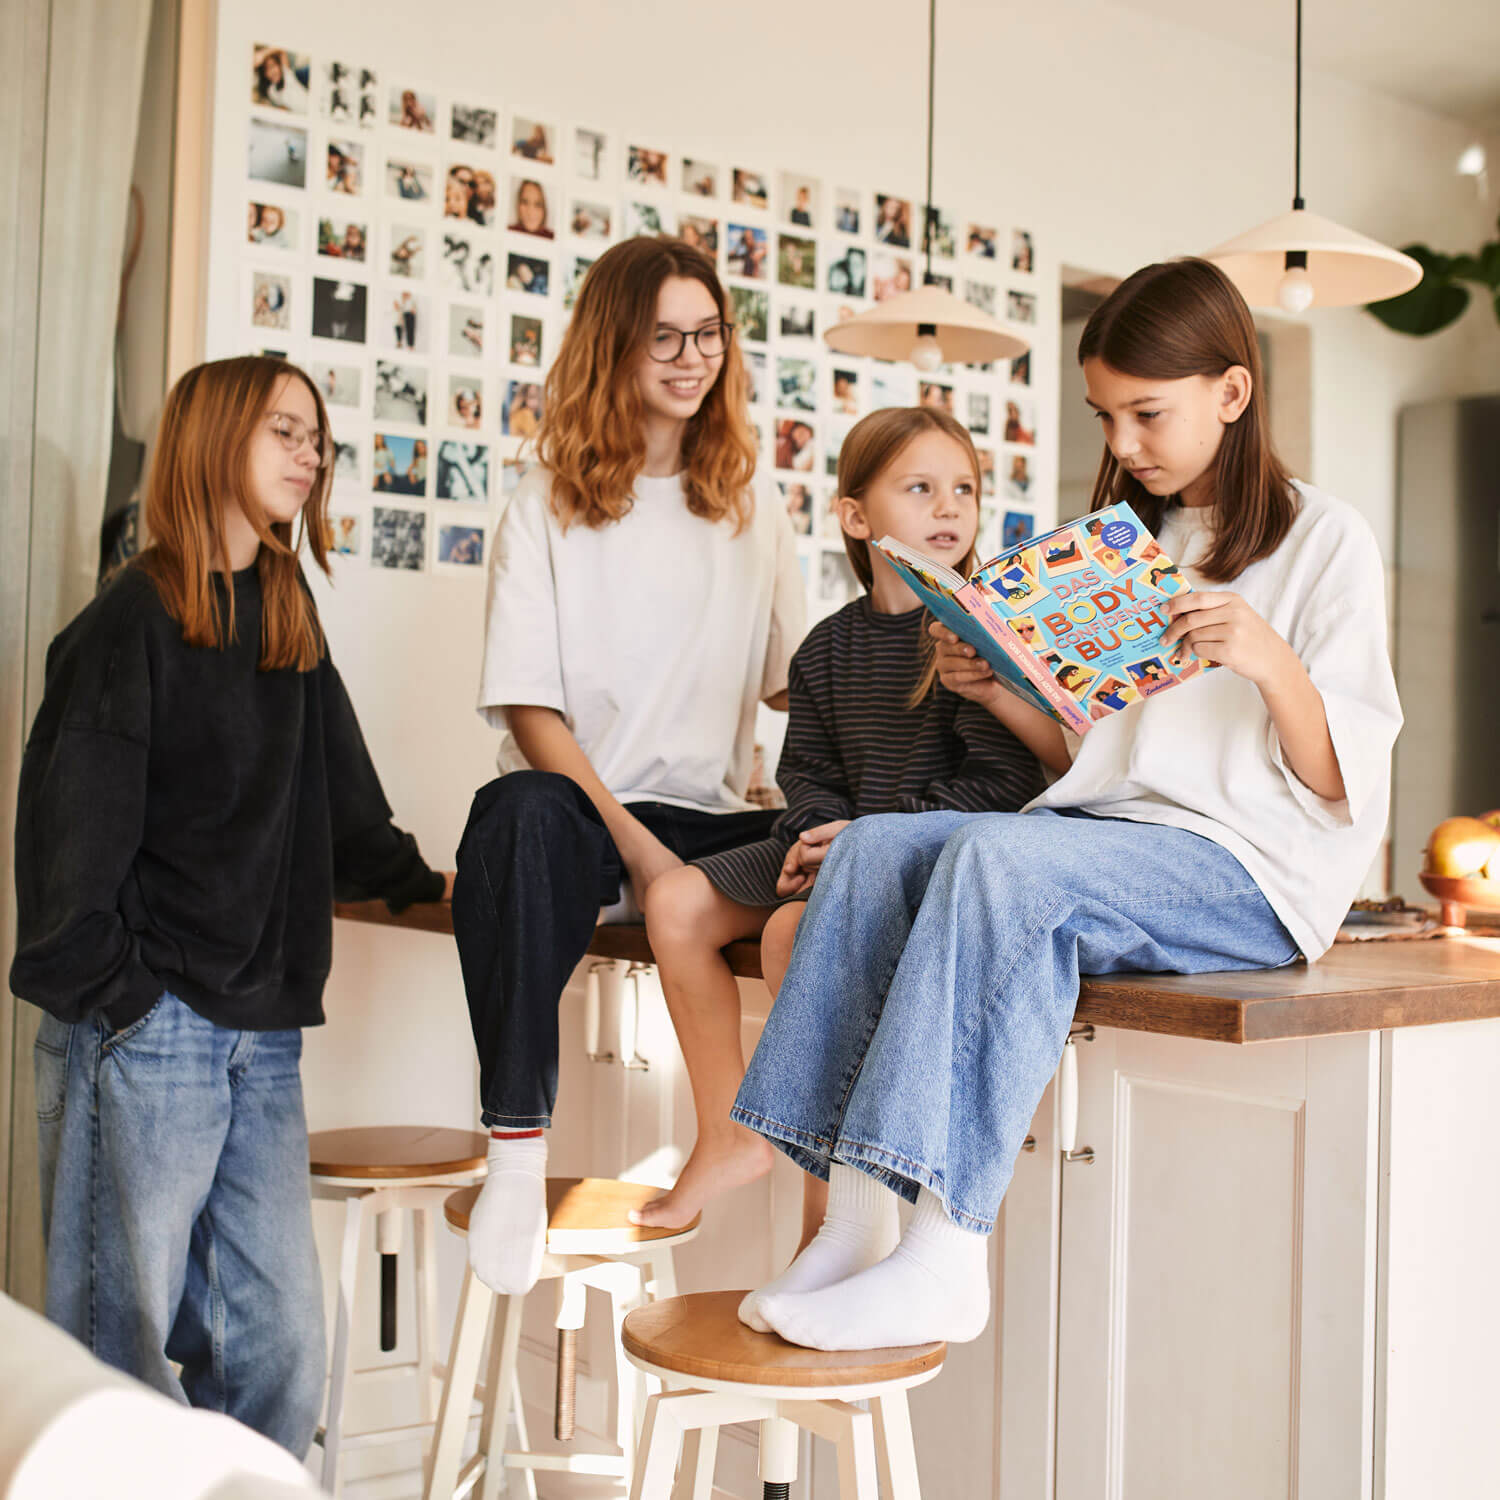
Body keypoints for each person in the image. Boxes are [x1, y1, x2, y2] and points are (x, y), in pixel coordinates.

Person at [730, 257, 1403, 1352]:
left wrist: (1275, 664)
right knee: (873, 851)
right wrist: (999, 685)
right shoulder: (1126, 542)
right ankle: (849, 1224)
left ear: (1232, 395)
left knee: (1002, 865)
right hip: (1114, 838)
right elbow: (1100, 758)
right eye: (1107, 415)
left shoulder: (1327, 539)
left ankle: (946, 1252)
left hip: (1252, 872)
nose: (1125, 443)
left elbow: (1341, 784)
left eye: (1149, 413)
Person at [10, 355, 445, 1453]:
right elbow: (69, 861)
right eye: (285, 431)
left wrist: (439, 885)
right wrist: (129, 1001)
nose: (312, 454)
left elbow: (347, 814)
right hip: (147, 1031)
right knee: (119, 1357)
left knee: (280, 1354)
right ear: (213, 441)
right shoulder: (128, 626)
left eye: (318, 438)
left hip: (263, 1034)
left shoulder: (287, 614)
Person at [451, 236, 805, 1297]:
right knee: (517, 807)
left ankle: (815, 1189)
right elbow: (532, 710)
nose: (693, 358)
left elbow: (795, 684)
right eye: (666, 337)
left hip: (710, 816)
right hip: (584, 814)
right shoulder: (545, 505)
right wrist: (640, 854)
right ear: (615, 344)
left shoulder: (754, 506)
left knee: (860, 857)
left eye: (709, 336)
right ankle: (516, 1148)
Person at [632, 407, 1041, 1230]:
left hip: (925, 858)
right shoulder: (824, 648)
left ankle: (834, 1214)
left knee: (790, 937)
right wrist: (820, 831)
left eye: (963, 489)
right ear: (856, 516)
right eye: (920, 488)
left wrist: (861, 843)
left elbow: (1001, 786)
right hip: (832, 847)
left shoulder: (982, 641)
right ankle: (725, 1137)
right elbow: (807, 770)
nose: (949, 508)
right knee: (672, 901)